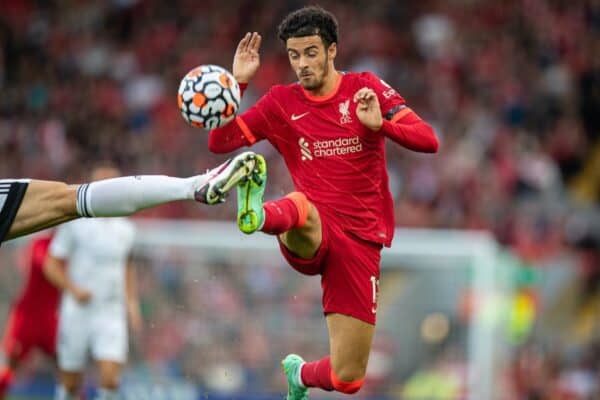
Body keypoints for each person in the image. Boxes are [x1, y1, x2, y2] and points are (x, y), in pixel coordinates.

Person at [208, 6, 439, 399]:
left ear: (332, 50)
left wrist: (379, 125)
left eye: (311, 52)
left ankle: (298, 376)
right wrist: (237, 86)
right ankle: (256, 212)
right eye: (294, 55)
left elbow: (428, 139)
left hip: (361, 241)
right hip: (307, 229)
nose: (302, 64)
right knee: (304, 208)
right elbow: (220, 142)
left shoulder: (365, 89)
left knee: (348, 378)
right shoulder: (282, 102)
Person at [0, 151, 259, 245]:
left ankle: (193, 187)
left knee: (71, 200)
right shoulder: (73, 235)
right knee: (70, 200)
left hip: (102, 312)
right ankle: (193, 186)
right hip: (77, 310)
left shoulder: (123, 234)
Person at [43, 165, 142, 400]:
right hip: (78, 310)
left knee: (110, 378)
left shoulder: (127, 229)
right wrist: (74, 290)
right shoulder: (76, 223)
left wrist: (132, 303)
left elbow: (127, 266)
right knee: (70, 382)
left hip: (110, 311)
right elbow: (51, 264)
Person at [0, 234, 59, 399]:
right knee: (10, 366)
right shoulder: (41, 243)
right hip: (27, 317)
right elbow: (46, 266)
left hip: (49, 318)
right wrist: (71, 284)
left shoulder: (70, 247)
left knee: (68, 366)